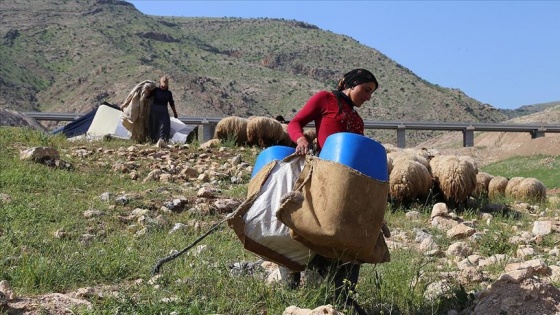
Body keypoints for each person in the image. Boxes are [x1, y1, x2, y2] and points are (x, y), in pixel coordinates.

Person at [286, 68, 379, 314]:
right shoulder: (325, 98)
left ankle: (343, 295)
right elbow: (295, 123)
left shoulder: (358, 120)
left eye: (371, 93)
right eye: (366, 90)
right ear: (351, 84)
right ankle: (314, 291)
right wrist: (301, 140)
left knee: (349, 233)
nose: (368, 97)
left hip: (350, 183)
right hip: (326, 177)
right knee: (320, 229)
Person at [149, 75, 178, 147]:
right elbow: (147, 97)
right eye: (162, 86)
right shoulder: (155, 90)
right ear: (160, 83)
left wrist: (175, 113)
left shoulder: (168, 93)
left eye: (165, 86)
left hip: (163, 111)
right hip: (154, 111)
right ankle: (153, 141)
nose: (163, 87)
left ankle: (162, 141)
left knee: (164, 125)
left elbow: (171, 103)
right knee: (154, 125)